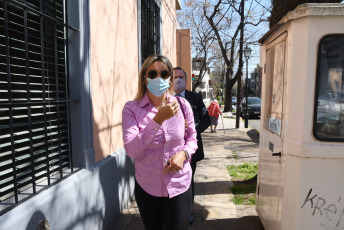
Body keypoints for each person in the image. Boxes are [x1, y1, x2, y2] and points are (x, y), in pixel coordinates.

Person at [122, 55, 198, 230]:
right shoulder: (131, 109)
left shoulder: (183, 105)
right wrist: (157, 120)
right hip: (148, 187)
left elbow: (192, 138)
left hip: (180, 184)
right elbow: (131, 150)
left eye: (164, 73)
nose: (158, 78)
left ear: (170, 77)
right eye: (153, 73)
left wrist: (184, 153)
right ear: (144, 77)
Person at [173, 67, 211, 224]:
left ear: (186, 80)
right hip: (169, 149)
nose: (177, 80)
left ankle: (187, 212)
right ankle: (171, 212)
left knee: (188, 180)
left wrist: (192, 133)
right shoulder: (163, 97)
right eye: (174, 77)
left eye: (181, 77)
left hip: (190, 148)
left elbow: (206, 119)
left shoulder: (195, 97)